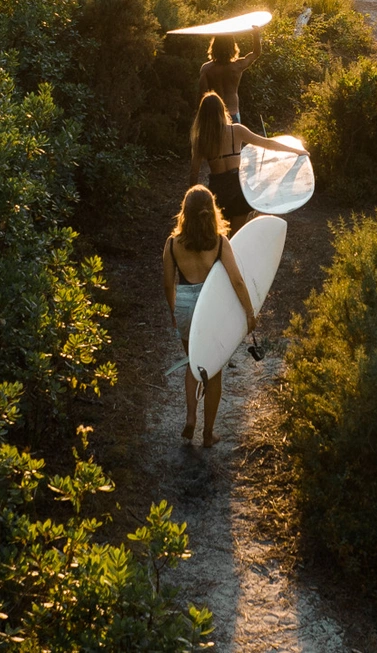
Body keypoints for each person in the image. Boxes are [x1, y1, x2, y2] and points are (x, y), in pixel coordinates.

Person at [163, 184, 255, 446]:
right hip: (211, 306)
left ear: (185, 213)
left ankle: (191, 418)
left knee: (194, 362)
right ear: (211, 211)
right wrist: (249, 313)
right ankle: (208, 432)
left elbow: (168, 284)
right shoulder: (219, 242)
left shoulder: (172, 245)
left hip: (185, 305)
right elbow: (237, 281)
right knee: (213, 371)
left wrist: (173, 310)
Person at [188, 91, 300, 222]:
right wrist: (295, 150)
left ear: (203, 115)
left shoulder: (201, 139)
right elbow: (267, 143)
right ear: (222, 110)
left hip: (217, 189)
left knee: (221, 234)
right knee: (238, 236)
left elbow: (194, 173)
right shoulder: (237, 130)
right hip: (237, 188)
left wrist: (193, 199)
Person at [198, 29, 261, 123]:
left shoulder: (207, 69)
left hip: (214, 114)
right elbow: (256, 53)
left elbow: (201, 95)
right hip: (233, 113)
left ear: (214, 47)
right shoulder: (237, 66)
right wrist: (256, 34)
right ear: (232, 47)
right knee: (233, 137)